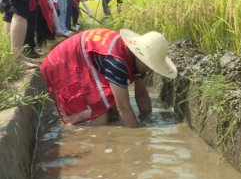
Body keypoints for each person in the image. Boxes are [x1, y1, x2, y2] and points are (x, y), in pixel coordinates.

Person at [40, 28, 177, 127]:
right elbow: (123, 107)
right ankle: (95, 139)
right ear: (140, 56)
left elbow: (141, 94)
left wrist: (148, 120)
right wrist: (138, 139)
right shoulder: (118, 62)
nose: (150, 69)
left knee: (111, 99)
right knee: (101, 105)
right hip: (65, 59)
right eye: (149, 65)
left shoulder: (139, 59)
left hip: (87, 52)